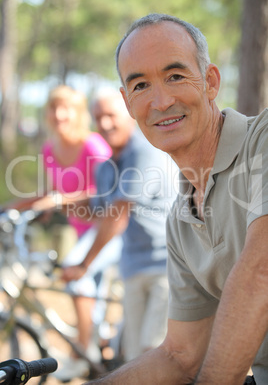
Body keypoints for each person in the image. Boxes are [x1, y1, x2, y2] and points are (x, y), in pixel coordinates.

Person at [83, 13, 268, 385]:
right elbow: (179, 355)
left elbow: (261, 272)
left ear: (211, 82)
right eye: (140, 86)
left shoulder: (263, 140)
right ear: (128, 103)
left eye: (176, 76)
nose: (161, 101)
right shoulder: (180, 219)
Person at [11, 85, 122, 381]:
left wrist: (59, 201)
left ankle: (81, 354)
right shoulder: (50, 149)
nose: (59, 115)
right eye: (53, 108)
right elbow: (53, 191)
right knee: (87, 297)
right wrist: (16, 206)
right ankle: (97, 358)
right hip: (81, 229)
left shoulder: (94, 146)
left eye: (67, 108)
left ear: (78, 113)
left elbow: (105, 192)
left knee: (77, 276)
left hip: (109, 228)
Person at [62, 88, 177, 366]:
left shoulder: (144, 150)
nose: (105, 123)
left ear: (129, 115)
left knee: (156, 354)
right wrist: (53, 203)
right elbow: (96, 209)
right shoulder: (105, 167)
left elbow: (117, 214)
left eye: (111, 115)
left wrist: (83, 264)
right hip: (133, 267)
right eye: (98, 117)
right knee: (136, 359)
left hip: (168, 267)